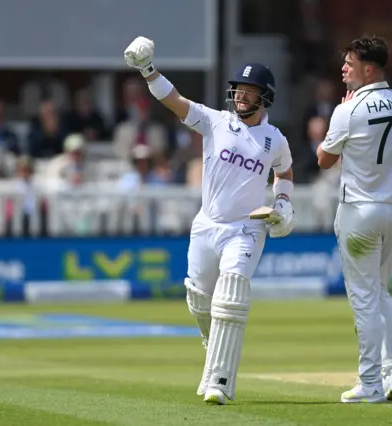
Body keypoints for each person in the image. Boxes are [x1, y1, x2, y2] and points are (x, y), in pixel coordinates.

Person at [124, 37, 295, 405]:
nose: (241, 98)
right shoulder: (215, 121)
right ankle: (212, 343)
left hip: (246, 228)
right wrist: (147, 70)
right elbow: (174, 101)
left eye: (250, 93)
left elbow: (285, 172)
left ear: (264, 98)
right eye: (239, 91)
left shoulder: (274, 139)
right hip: (207, 224)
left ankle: (220, 382)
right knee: (199, 299)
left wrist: (282, 201)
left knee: (231, 295)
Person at [317, 36, 392, 403]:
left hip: (360, 213)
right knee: (379, 291)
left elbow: (323, 160)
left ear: (369, 69)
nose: (343, 68)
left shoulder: (348, 109)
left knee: (364, 298)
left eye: (350, 63)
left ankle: (371, 383)